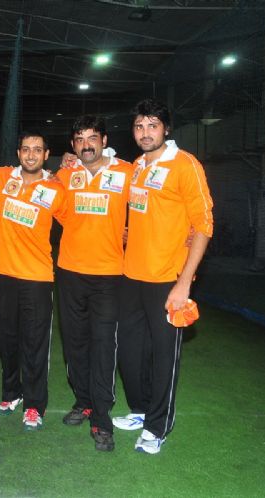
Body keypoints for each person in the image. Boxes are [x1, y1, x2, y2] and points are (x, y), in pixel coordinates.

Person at [114, 99, 213, 454]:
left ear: (166, 129)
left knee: (162, 358)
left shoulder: (185, 164)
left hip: (168, 279)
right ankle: (140, 410)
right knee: (130, 353)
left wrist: (183, 283)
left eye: (152, 125)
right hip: (132, 276)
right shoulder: (137, 166)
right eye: (139, 126)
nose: (145, 132)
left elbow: (204, 225)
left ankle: (157, 427)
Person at [55, 115, 134, 451]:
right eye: (79, 139)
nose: (85, 145)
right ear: (72, 145)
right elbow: (56, 211)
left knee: (103, 345)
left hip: (109, 275)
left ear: (104, 140)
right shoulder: (64, 175)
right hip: (70, 271)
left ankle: (101, 419)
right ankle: (83, 401)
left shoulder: (127, 172)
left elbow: (146, 209)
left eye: (91, 138)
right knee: (74, 344)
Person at [0, 131, 69, 431]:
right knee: (7, 340)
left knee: (34, 344)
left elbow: (76, 221)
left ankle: (34, 405)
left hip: (37, 277)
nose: (31, 154)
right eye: (25, 149)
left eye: (37, 150)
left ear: (46, 155)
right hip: (3, 274)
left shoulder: (56, 189)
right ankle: (12, 393)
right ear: (18, 153)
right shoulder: (0, 178)